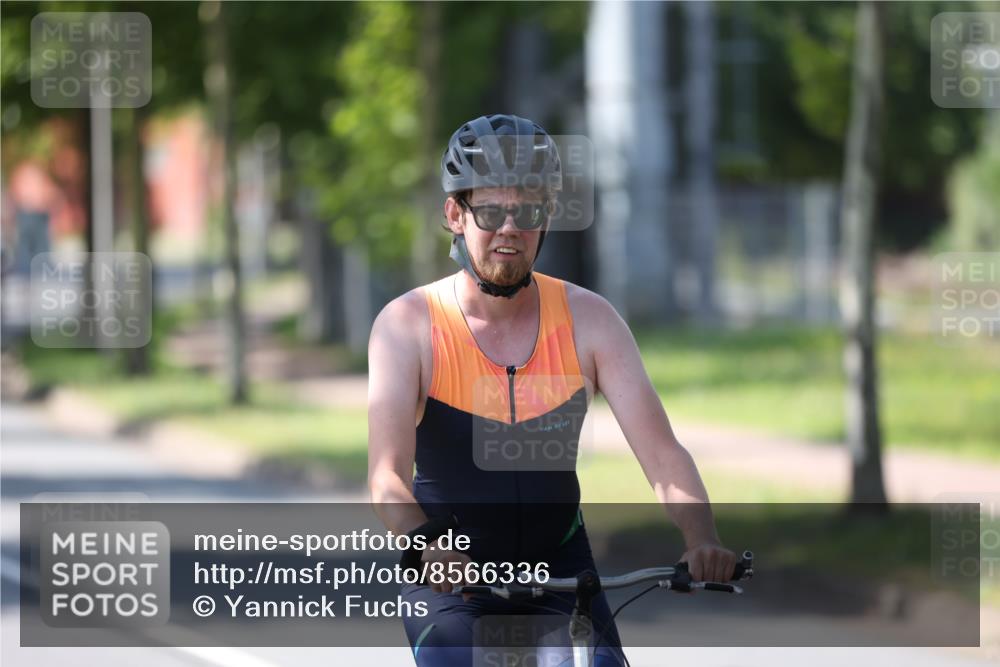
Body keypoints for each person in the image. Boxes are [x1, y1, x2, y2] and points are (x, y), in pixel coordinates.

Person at [368, 114, 736, 666]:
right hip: (451, 584)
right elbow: (387, 478)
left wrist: (700, 535)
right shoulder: (408, 326)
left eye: (529, 211)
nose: (510, 228)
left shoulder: (591, 319)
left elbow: (662, 455)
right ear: (454, 214)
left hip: (562, 576)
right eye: (491, 211)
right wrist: (425, 544)